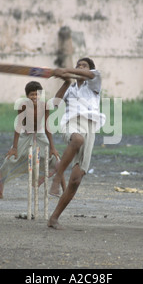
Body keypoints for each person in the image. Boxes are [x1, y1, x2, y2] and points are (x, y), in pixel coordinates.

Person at [47, 57, 106, 229]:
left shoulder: (94, 81)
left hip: (90, 127)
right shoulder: (71, 88)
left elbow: (88, 74)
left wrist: (66, 70)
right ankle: (58, 177)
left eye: (84, 66)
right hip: (71, 123)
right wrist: (65, 81)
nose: (80, 68)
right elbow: (56, 103)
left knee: (76, 180)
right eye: (78, 65)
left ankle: (54, 218)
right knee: (77, 139)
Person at [0, 81, 65, 199]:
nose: (34, 97)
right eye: (32, 95)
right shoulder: (23, 105)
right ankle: (0, 191)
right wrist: (14, 148)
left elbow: (47, 126)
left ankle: (65, 191)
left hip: (40, 134)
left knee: (57, 160)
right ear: (27, 96)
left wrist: (53, 148)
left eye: (37, 94)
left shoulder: (44, 105)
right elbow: (18, 125)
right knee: (9, 160)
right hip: (26, 134)